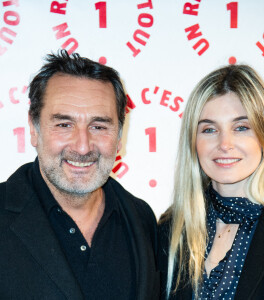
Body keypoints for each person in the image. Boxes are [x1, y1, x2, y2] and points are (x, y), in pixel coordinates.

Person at [0, 50, 159, 300]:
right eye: (64, 125)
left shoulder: (143, 220)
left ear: (119, 137)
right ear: (33, 129)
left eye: (98, 126)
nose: (83, 147)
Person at [158, 64, 264, 300]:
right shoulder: (171, 229)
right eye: (209, 129)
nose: (225, 144)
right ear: (193, 142)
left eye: (241, 127)